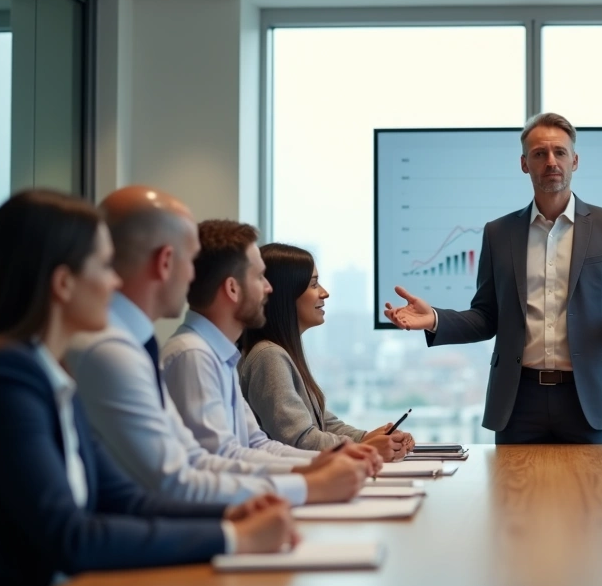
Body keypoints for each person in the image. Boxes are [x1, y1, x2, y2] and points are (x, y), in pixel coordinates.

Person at [0, 191, 295, 586]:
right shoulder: (4, 377)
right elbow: (72, 536)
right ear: (63, 283)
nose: (116, 282)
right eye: (103, 265)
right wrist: (232, 538)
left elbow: (126, 500)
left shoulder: (51, 374)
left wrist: (236, 511)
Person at [66, 187, 378, 506]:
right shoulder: (172, 354)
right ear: (166, 262)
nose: (194, 276)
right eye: (190, 260)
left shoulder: (205, 353)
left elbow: (236, 448)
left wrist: (313, 468)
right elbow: (179, 476)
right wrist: (307, 484)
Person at [383, 112, 602, 444]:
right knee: (512, 495)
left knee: (590, 495)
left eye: (560, 152)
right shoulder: (499, 233)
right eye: (540, 154)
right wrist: (434, 318)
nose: (551, 161)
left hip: (588, 398)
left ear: (575, 160)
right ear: (524, 163)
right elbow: (486, 317)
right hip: (518, 400)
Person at [163, 220, 406, 463]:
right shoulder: (196, 356)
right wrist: (359, 451)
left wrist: (361, 444)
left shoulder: (221, 355)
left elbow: (257, 444)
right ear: (233, 289)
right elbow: (223, 460)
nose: (268, 288)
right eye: (259, 277)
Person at [240, 243, 415, 452]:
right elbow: (300, 439)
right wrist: (367, 446)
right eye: (314, 284)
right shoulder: (269, 356)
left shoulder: (282, 352)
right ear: (286, 294)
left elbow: (323, 422)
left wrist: (367, 438)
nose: (324, 293)